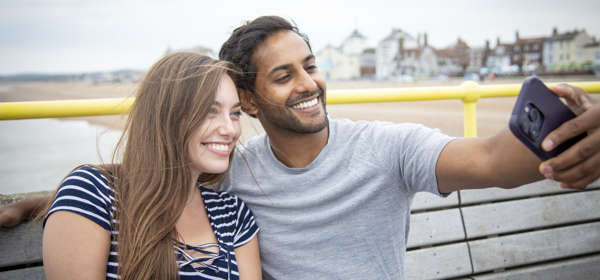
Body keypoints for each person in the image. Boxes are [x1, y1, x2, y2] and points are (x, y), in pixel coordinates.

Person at [2, 16, 600, 279]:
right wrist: (41, 201)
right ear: (253, 101)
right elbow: (154, 172)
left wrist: (569, 135)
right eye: (283, 76)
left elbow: (497, 160)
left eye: (309, 67)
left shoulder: (388, 148)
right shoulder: (237, 173)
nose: (309, 83)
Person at [41, 53, 261, 279]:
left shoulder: (232, 214)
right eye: (209, 110)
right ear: (166, 115)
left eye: (234, 114)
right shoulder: (93, 193)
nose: (230, 129)